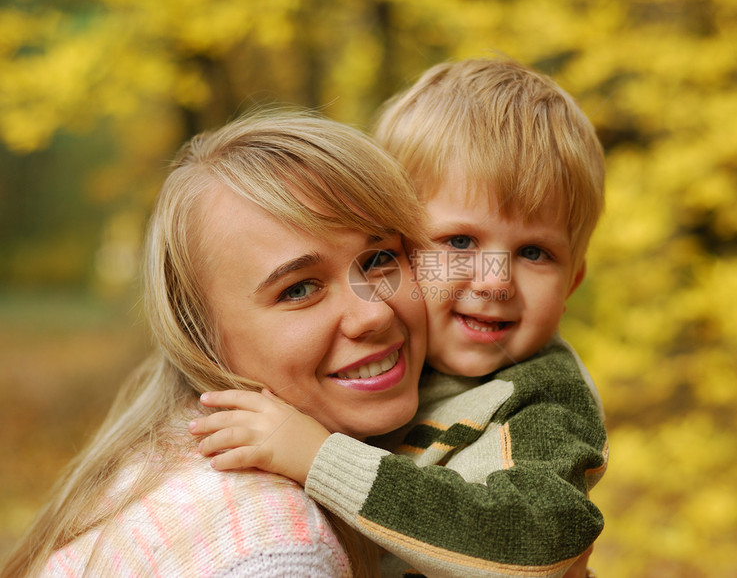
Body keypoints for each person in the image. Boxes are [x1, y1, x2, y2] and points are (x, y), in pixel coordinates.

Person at [193, 57, 608, 578]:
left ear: (572, 281)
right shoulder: (391, 368)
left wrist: (319, 459)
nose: (496, 280)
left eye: (535, 253)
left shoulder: (542, 399)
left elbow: (537, 540)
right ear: (398, 248)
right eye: (459, 242)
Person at [0, 111, 429, 578]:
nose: (375, 313)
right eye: (300, 289)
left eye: (380, 258)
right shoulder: (275, 550)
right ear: (199, 339)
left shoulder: (161, 454)